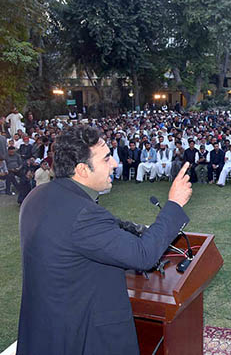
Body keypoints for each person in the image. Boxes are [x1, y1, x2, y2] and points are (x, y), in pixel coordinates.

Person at [17, 125, 192, 354]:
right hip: (81, 335)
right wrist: (174, 204)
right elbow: (143, 256)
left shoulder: (38, 196)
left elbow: (96, 230)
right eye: (107, 159)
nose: (115, 164)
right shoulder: (83, 214)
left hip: (46, 330)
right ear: (82, 169)